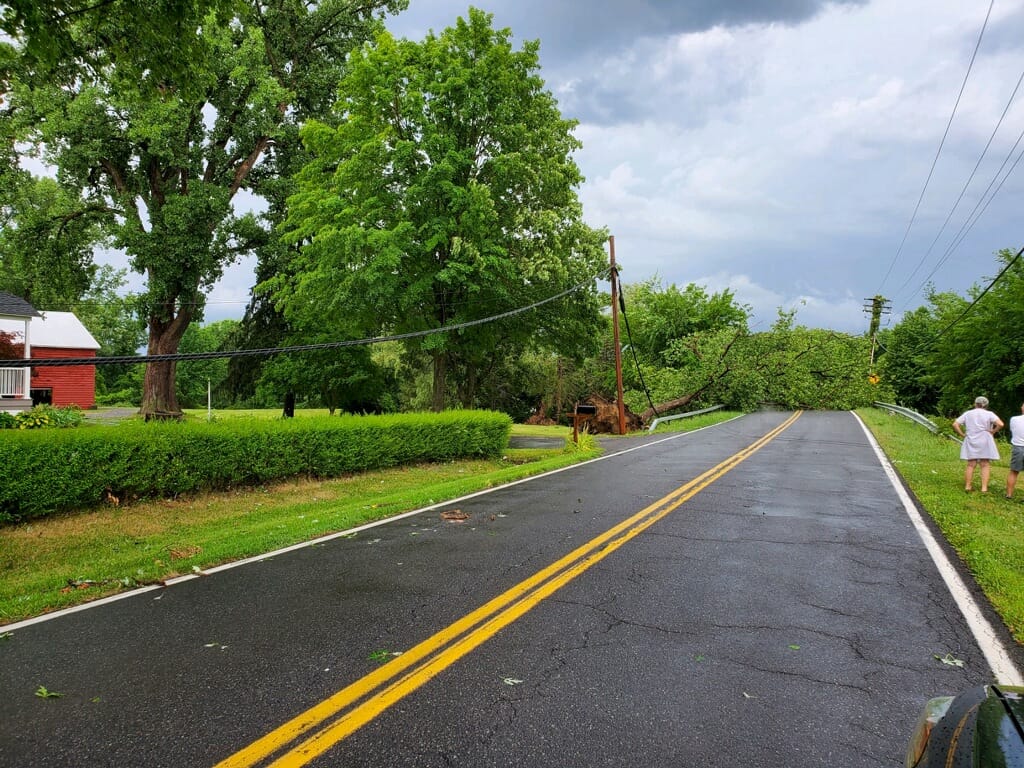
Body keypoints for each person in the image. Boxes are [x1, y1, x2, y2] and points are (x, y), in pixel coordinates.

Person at [952, 396, 1004, 493]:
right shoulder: (989, 414)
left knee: (971, 464)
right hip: (985, 439)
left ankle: (968, 486)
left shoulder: (968, 413)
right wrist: (993, 431)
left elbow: (955, 424)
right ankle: (984, 488)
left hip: (971, 438)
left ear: (975, 404)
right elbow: (1000, 424)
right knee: (985, 464)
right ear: (986, 405)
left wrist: (962, 434)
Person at [1006, 402, 1024, 499]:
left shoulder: (1014, 419)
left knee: (1014, 471)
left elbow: (1013, 430)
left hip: (1018, 447)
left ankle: (1009, 494)